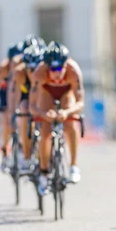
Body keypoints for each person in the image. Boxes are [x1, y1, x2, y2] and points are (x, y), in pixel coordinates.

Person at [30, 41, 85, 195]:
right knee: (45, 132)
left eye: (60, 68)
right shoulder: (39, 73)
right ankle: (44, 171)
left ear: (66, 65)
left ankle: (74, 165)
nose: (56, 72)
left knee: (70, 123)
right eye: (52, 69)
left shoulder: (73, 71)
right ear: (47, 67)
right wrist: (43, 114)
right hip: (47, 93)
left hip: (66, 94)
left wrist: (67, 113)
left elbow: (80, 102)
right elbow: (32, 106)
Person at [8, 44, 44, 172]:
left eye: (36, 70)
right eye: (30, 70)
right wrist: (12, 115)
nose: (33, 73)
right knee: (23, 109)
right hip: (26, 97)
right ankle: (27, 154)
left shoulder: (45, 71)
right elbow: (14, 97)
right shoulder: (19, 73)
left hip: (41, 96)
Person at [0, 43, 21, 171]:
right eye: (13, 62)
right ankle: (5, 151)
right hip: (5, 93)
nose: (16, 65)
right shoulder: (3, 68)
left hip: (18, 92)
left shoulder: (24, 69)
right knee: (6, 119)